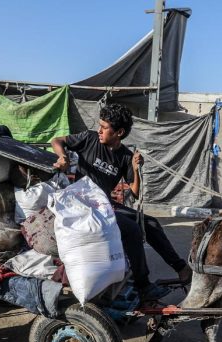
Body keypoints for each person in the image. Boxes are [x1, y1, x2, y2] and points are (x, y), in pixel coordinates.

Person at [51, 103, 192, 301]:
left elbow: (134, 193)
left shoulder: (125, 156)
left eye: (105, 127)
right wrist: (63, 156)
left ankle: (182, 268)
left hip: (105, 206)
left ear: (119, 132)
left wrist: (134, 169)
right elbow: (56, 140)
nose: (99, 130)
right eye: (100, 125)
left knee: (150, 223)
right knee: (132, 229)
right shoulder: (89, 139)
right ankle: (143, 285)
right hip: (83, 204)